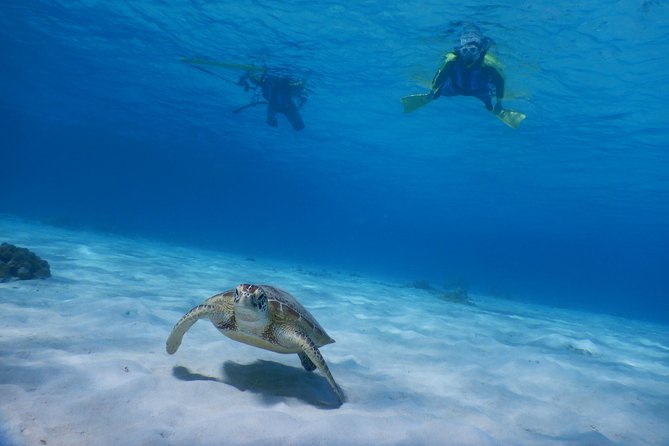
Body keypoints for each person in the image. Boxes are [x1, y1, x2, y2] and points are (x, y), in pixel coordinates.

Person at [401, 27, 525, 128]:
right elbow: (441, 76)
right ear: (460, 51)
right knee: (437, 93)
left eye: (472, 50)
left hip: (480, 90)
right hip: (454, 86)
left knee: (489, 105)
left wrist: (499, 103)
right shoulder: (452, 61)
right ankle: (431, 97)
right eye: (465, 51)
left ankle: (496, 109)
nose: (468, 55)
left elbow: (500, 82)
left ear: (480, 51)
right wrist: (431, 92)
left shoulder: (488, 65)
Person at [238, 71, 307, 131]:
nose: (277, 80)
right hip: (276, 106)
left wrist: (301, 104)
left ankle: (274, 122)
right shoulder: (266, 84)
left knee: (298, 127)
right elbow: (252, 78)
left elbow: (301, 90)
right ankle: (273, 122)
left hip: (288, 107)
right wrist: (245, 77)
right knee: (270, 121)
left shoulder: (288, 88)